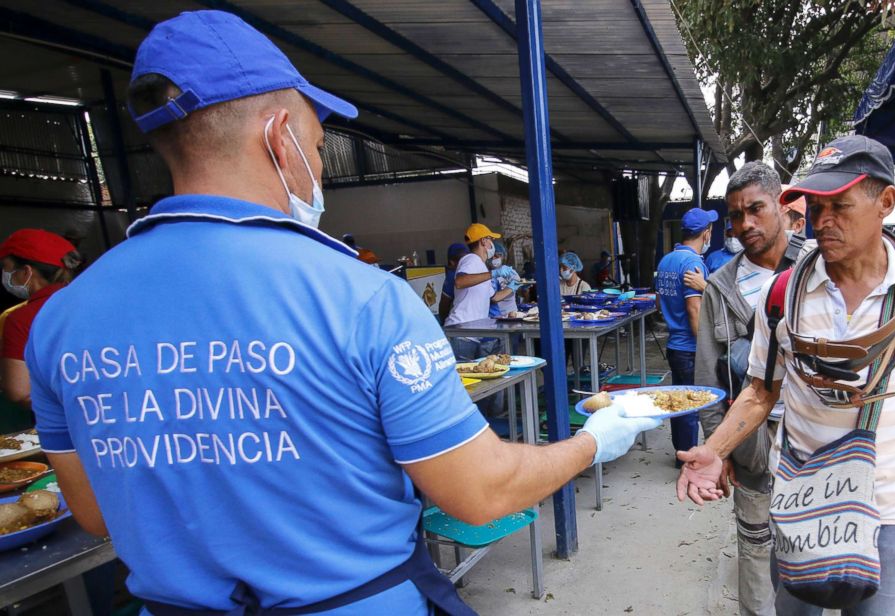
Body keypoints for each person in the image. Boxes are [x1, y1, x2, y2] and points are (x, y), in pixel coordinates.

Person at [23, 12, 664, 615]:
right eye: (316, 140)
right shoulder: (361, 298)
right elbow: (481, 491)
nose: (320, 170)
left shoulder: (60, 317)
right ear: (279, 136)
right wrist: (590, 444)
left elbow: (95, 512)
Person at [677, 136, 895, 615]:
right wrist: (714, 451)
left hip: (892, 505)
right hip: (800, 501)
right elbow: (760, 391)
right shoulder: (783, 294)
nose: (823, 221)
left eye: (840, 205)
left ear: (886, 202)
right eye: (816, 207)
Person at [694, 163, 794, 616]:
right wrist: (721, 450)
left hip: (814, 446)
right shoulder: (721, 286)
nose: (745, 224)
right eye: (735, 216)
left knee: (810, 553)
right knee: (755, 547)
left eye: (756, 209)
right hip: (751, 446)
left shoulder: (818, 268)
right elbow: (709, 379)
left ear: (781, 206)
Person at [656, 207, 718, 463]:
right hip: (690, 347)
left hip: (674, 344)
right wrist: (706, 346)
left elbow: (659, 303)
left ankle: (681, 453)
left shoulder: (666, 260)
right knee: (694, 404)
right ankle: (690, 457)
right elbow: (695, 310)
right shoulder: (693, 264)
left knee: (680, 401)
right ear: (706, 233)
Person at [1, 229, 80, 417]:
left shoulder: (22, 318)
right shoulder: (99, 302)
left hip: (64, 425)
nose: (4, 274)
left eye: (6, 267)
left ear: (27, 271)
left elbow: (20, 391)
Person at [445, 223, 515, 362]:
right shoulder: (471, 259)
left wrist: (513, 287)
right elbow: (460, 281)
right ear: (483, 241)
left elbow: (494, 298)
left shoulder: (481, 266)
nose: (492, 243)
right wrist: (493, 274)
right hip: (462, 332)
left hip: (471, 333)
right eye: (490, 239)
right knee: (465, 381)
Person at [439, 242, 468, 322]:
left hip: (459, 322)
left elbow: (444, 304)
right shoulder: (453, 274)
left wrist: (443, 322)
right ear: (452, 262)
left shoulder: (452, 275)